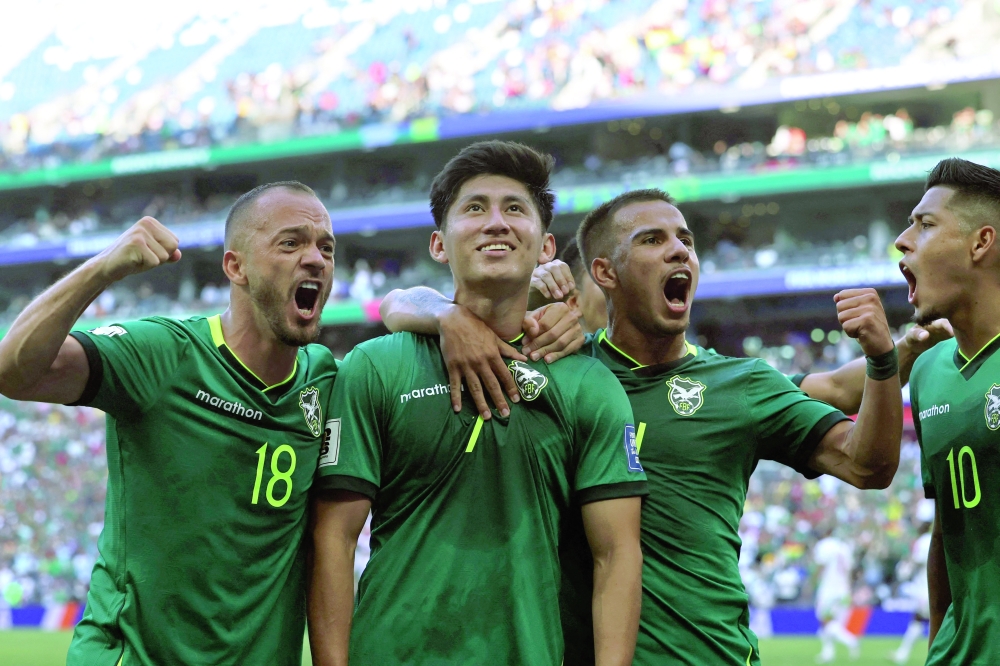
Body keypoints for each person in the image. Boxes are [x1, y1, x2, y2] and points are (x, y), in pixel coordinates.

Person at [382, 186, 904, 665]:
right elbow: (396, 304)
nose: (680, 251)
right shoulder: (559, 371)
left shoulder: (741, 384)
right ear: (605, 272)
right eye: (653, 240)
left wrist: (884, 361)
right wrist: (458, 316)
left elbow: (868, 465)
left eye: (686, 240)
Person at [308, 141, 647, 666]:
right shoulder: (373, 368)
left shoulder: (589, 384)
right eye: (474, 208)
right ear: (439, 246)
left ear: (546, 246)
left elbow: (616, 556)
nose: (496, 223)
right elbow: (334, 539)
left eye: (515, 208)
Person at [0, 182, 339, 664]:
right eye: (291, 242)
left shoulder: (323, 379)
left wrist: (441, 317)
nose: (316, 259)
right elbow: (13, 370)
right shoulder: (163, 355)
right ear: (234, 267)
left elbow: (401, 312)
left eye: (326, 247)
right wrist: (102, 268)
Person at [530, 239, 952, 414]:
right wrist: (463, 319)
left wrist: (904, 351)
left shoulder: (711, 383)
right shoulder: (540, 382)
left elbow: (838, 390)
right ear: (573, 299)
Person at [898, 157, 1000, 665]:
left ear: (981, 243)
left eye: (925, 224)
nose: (903, 239)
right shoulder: (926, 372)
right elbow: (946, 531)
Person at [891, 500, 934, 665]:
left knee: (923, 620)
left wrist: (905, 569)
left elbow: (916, 562)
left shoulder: (924, 541)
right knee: (918, 620)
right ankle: (902, 654)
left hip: (925, 589)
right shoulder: (933, 538)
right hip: (930, 588)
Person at [812, 528, 860, 663]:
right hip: (843, 589)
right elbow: (850, 570)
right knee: (833, 621)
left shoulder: (825, 544)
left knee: (825, 621)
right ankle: (828, 652)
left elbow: (820, 565)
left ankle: (851, 640)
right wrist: (849, 589)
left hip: (829, 589)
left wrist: (813, 581)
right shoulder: (845, 547)